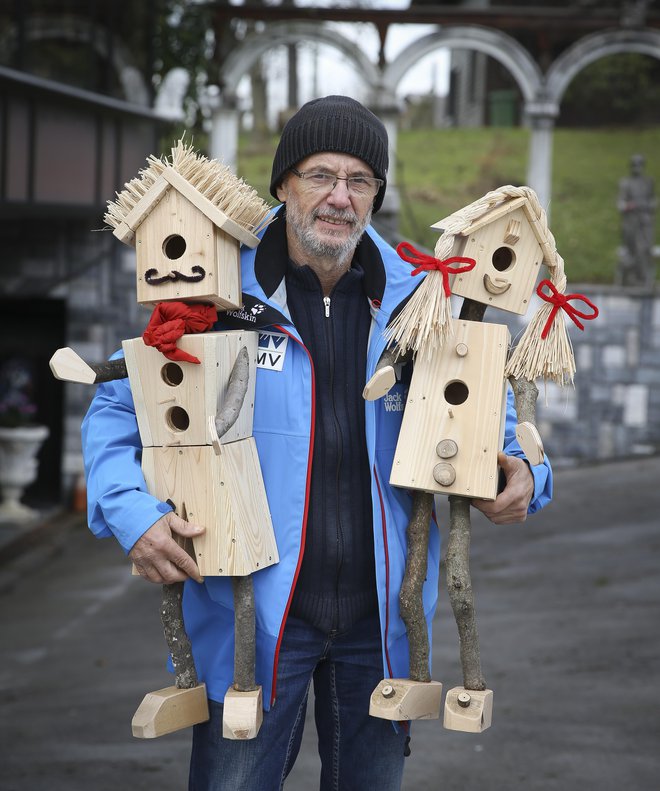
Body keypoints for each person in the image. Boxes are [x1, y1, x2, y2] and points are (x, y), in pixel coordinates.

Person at [82, 95, 552, 790]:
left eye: (360, 180)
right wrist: (133, 514)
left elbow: (491, 419)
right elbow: (119, 409)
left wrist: (522, 476)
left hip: (381, 626)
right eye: (320, 175)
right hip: (254, 623)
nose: (339, 196)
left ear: (377, 195)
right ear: (283, 183)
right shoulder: (212, 290)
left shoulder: (421, 302)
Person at [617, 153, 657, 287]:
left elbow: (653, 202)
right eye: (634, 165)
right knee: (632, 250)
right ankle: (630, 280)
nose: (636, 168)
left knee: (644, 250)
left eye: (639, 164)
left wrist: (644, 205)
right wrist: (629, 206)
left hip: (645, 222)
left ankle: (644, 280)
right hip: (631, 222)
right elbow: (621, 204)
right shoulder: (626, 183)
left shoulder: (648, 182)